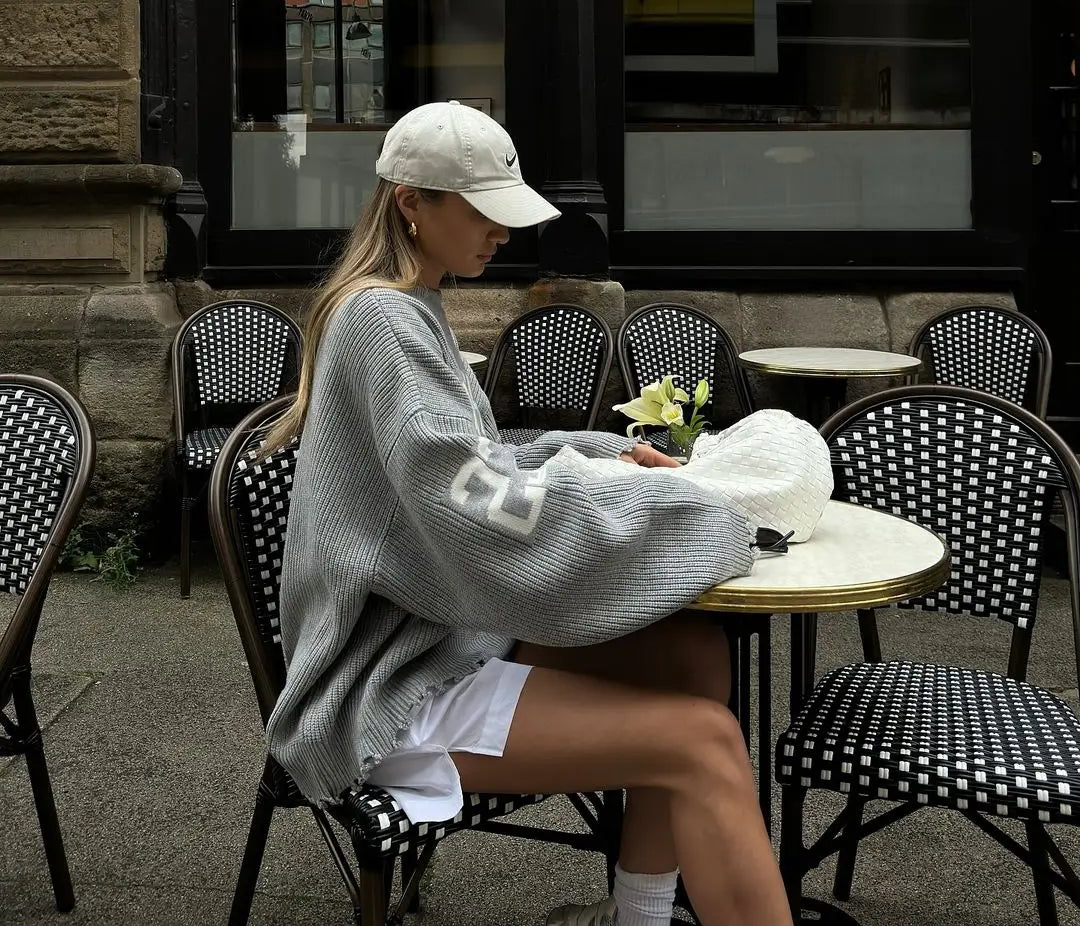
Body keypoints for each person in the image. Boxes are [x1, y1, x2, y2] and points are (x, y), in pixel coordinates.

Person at [264, 101, 793, 926]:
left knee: (694, 654)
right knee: (705, 743)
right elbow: (476, 508)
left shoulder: (407, 305)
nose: (503, 235)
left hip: (433, 635)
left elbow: (474, 464)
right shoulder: (380, 320)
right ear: (412, 201)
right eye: (483, 212)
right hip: (388, 688)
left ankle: (639, 919)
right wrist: (689, 512)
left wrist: (607, 459)